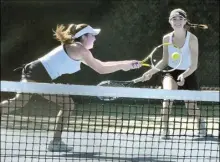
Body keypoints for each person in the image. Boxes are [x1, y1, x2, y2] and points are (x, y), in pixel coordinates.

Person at [0, 23, 141, 151]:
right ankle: (56, 142)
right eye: (92, 36)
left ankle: (56, 141)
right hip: (38, 74)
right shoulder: (80, 50)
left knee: (20, 101)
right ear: (84, 37)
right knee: (67, 104)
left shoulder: (78, 50)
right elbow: (101, 69)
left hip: (34, 70)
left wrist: (125, 64)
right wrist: (123, 65)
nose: (95, 39)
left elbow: (101, 64)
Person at [137, 8, 208, 138]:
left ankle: (200, 122)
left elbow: (194, 65)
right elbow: (164, 60)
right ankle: (165, 128)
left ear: (185, 21)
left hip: (189, 73)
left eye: (180, 18)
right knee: (167, 98)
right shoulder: (166, 38)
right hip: (171, 72)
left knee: (191, 108)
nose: (177, 21)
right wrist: (150, 72)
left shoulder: (192, 39)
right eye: (174, 19)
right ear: (170, 22)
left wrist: (184, 75)